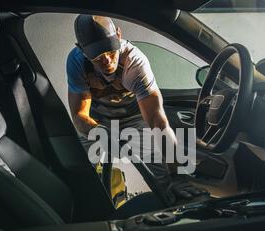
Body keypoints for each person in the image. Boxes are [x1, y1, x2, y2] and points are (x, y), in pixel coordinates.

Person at [66, 15, 208, 206]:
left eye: (111, 51)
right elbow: (79, 115)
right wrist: (99, 132)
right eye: (98, 58)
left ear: (118, 34)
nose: (107, 61)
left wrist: (177, 176)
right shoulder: (76, 62)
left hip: (134, 118)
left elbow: (158, 121)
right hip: (96, 121)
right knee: (77, 174)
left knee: (167, 179)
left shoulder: (135, 63)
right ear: (81, 49)